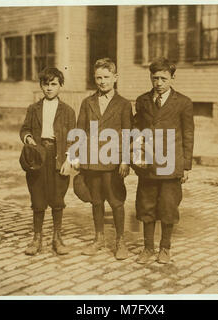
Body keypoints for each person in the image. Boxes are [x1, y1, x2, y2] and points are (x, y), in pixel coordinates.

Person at [133, 57, 194, 264]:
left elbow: (188, 135)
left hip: (171, 164)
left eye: (163, 78)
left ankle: (165, 248)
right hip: (148, 164)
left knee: (168, 206)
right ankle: (148, 248)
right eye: (154, 78)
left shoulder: (183, 102)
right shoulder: (142, 101)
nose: (158, 83)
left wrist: (186, 166)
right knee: (146, 205)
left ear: (172, 78)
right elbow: (136, 127)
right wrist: (138, 149)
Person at [75, 58, 133, 260]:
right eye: (98, 77)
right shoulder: (87, 102)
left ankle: (120, 241)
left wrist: (125, 160)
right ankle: (99, 238)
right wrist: (76, 156)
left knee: (116, 201)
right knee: (96, 201)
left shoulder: (124, 104)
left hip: (113, 163)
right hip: (92, 161)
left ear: (115, 78)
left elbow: (127, 134)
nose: (102, 82)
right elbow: (80, 131)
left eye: (106, 77)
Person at [19, 67, 76, 256]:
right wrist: (28, 139)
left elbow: (73, 137)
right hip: (38, 156)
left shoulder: (67, 111)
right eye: (46, 84)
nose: (49, 88)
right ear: (41, 86)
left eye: (54, 84)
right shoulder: (33, 109)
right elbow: (24, 129)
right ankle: (37, 238)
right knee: (38, 197)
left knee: (57, 197)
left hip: (58, 155)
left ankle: (57, 238)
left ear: (60, 86)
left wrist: (69, 160)